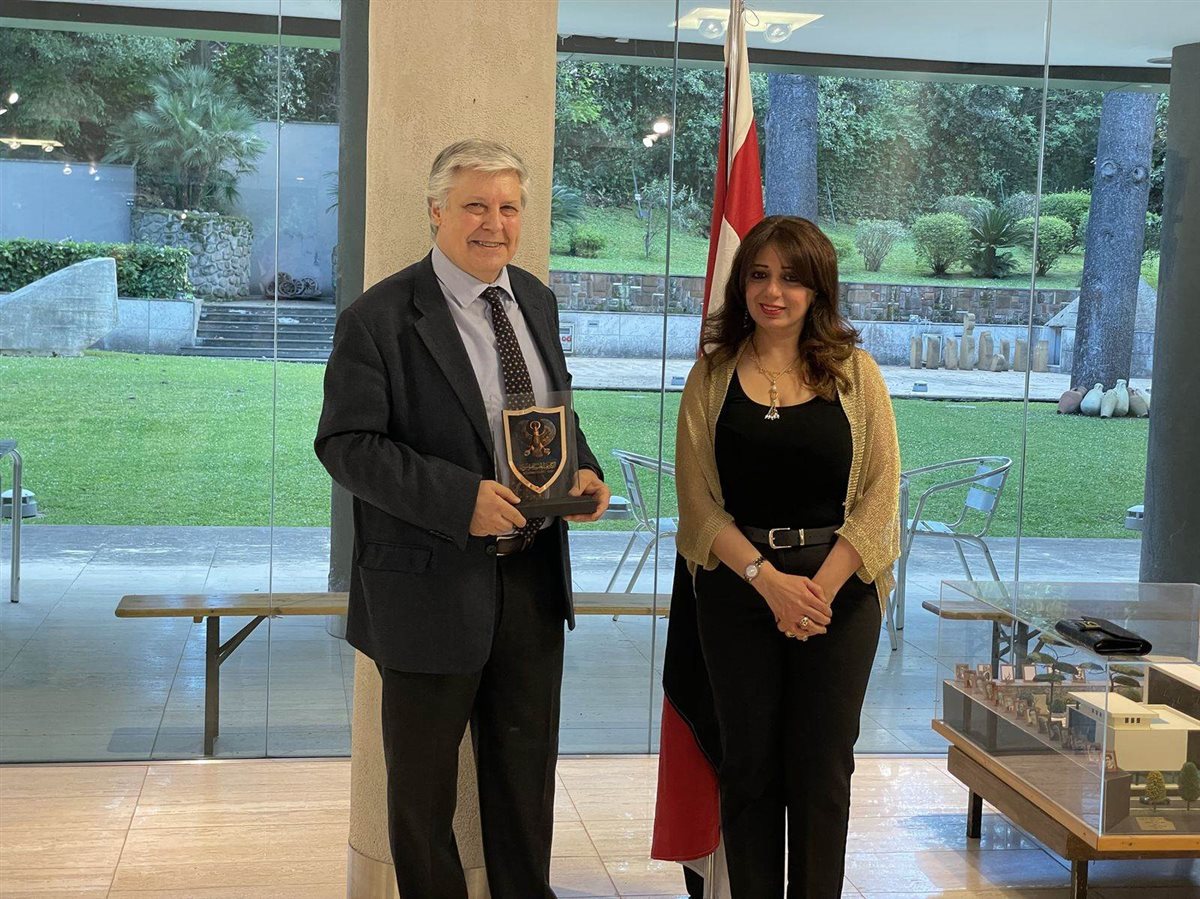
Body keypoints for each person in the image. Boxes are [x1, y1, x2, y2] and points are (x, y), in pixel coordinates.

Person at [314, 139, 610, 899]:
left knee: (525, 785)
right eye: (475, 205)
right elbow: (346, 445)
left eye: (508, 207)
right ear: (436, 210)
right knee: (422, 802)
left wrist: (584, 469)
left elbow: (550, 412)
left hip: (533, 585)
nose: (494, 223)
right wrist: (458, 499)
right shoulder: (379, 317)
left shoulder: (535, 299)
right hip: (427, 591)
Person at [663, 215, 900, 897]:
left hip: (839, 595)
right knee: (749, 769)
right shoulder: (711, 376)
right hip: (738, 592)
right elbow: (697, 505)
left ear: (817, 289)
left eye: (792, 278)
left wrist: (815, 590)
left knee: (822, 771)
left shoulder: (857, 375)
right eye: (761, 275)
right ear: (742, 285)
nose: (774, 292)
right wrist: (769, 582)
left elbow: (881, 497)